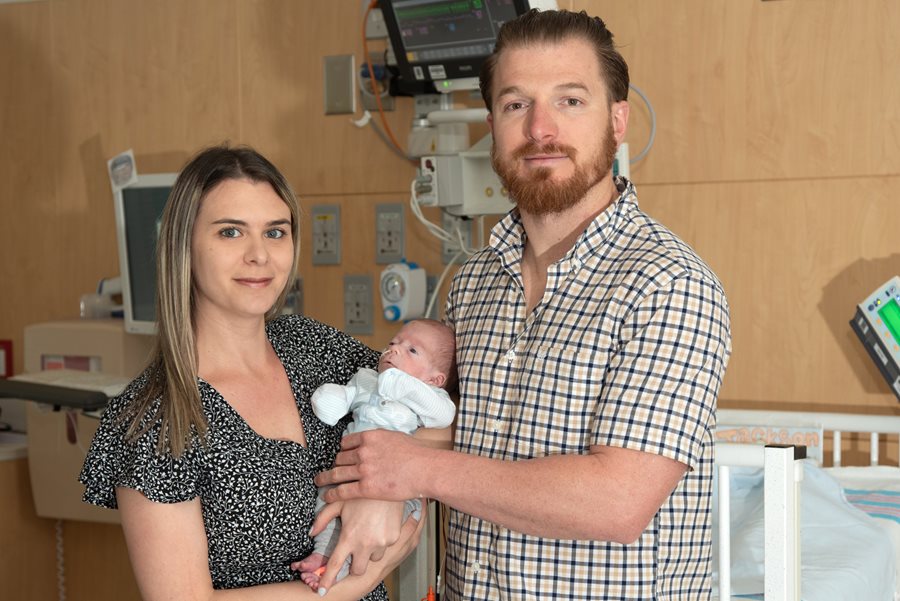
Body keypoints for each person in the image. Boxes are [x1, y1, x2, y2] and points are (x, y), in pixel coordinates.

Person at [316, 9, 732, 601]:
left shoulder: (668, 285)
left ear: (617, 121)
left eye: (570, 101)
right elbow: (437, 424)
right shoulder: (474, 283)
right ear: (492, 124)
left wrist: (413, 471)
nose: (540, 129)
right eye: (516, 105)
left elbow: (617, 504)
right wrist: (372, 493)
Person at [79, 144, 423, 601]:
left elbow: (435, 415)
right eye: (230, 233)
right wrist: (349, 588)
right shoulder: (158, 420)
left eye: (276, 232)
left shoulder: (312, 348)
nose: (259, 255)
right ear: (183, 245)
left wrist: (382, 495)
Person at [295, 318, 457, 590]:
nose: (393, 350)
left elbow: (445, 416)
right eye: (393, 343)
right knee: (327, 500)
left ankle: (341, 569)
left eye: (412, 350)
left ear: (434, 379)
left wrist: (405, 386)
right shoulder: (368, 379)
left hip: (396, 487)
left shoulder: (428, 396)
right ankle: (322, 555)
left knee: (395, 520)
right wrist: (333, 398)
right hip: (352, 471)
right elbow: (349, 396)